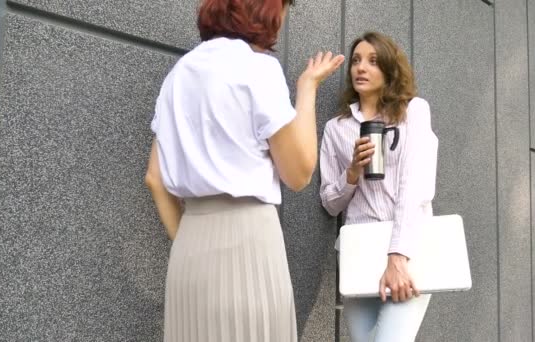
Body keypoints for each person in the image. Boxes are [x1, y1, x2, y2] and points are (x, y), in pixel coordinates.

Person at [144, 0, 345, 341]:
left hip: (189, 253)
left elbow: (155, 179)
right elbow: (298, 173)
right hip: (248, 241)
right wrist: (307, 88)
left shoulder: (178, 76)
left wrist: (188, 242)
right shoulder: (257, 69)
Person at [319, 31, 438, 342]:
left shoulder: (414, 112)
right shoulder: (337, 128)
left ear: (389, 68)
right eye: (356, 60)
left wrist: (397, 257)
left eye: (373, 61)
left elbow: (415, 187)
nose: (361, 67)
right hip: (360, 250)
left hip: (408, 250)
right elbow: (330, 203)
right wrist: (353, 172)